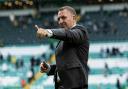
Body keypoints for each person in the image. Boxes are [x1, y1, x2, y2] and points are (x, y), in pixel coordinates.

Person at [35, 6, 89, 89]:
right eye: (58, 19)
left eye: (63, 17)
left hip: (76, 86)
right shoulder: (62, 40)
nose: (60, 21)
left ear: (74, 18)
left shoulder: (81, 31)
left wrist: (48, 32)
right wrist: (49, 69)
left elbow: (69, 34)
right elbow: (66, 65)